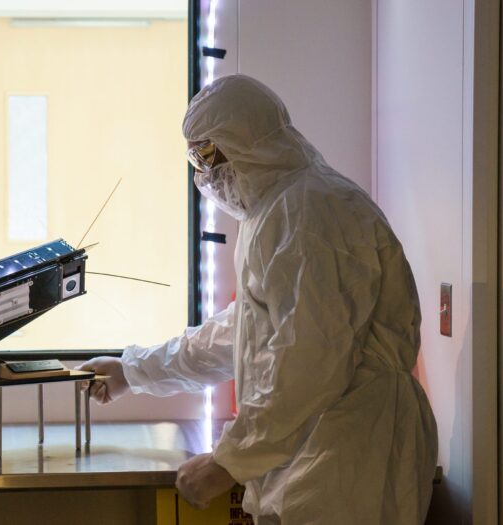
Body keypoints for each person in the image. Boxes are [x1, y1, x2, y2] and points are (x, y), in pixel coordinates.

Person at [80, 75, 438, 524]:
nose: (203, 174)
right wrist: (133, 371)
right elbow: (242, 335)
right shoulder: (276, 211)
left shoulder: (310, 212)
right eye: (195, 157)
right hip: (321, 450)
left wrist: (226, 462)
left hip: (352, 453)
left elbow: (307, 362)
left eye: (208, 154)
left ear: (245, 141)